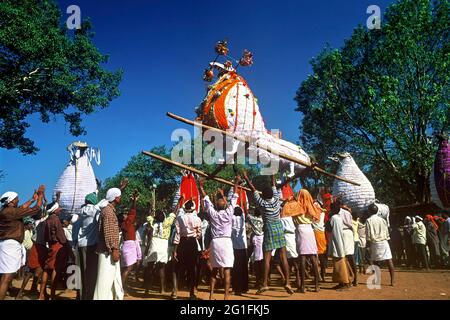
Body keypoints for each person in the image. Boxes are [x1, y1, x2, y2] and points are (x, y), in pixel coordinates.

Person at [242, 171, 294, 295]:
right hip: (279, 227)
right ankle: (287, 282)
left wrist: (246, 178)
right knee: (283, 256)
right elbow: (273, 184)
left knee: (267, 257)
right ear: (272, 194)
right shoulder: (277, 200)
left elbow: (253, 189)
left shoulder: (262, 203)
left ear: (264, 196)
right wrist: (272, 175)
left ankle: (264, 283)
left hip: (269, 228)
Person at [0, 186, 45, 300]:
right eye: (16, 199)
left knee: (8, 276)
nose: (18, 200)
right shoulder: (11, 212)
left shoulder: (8, 211)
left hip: (9, 245)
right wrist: (40, 195)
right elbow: (36, 209)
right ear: (10, 201)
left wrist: (31, 199)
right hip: (10, 245)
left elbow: (21, 208)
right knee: (7, 277)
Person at [200, 176, 239, 300]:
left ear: (216, 205)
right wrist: (236, 183)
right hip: (226, 242)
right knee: (227, 269)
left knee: (214, 270)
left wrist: (201, 187)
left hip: (216, 243)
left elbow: (206, 200)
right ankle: (226, 297)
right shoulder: (229, 212)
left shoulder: (213, 214)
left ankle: (211, 296)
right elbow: (234, 198)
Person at [94, 187, 124, 300]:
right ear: (116, 198)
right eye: (119, 196)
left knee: (111, 280)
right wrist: (114, 249)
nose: (120, 198)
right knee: (104, 282)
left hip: (108, 250)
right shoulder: (108, 212)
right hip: (108, 251)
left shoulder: (107, 210)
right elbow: (109, 232)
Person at [39, 197, 70, 300]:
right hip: (57, 246)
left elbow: (46, 236)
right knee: (55, 269)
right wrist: (66, 246)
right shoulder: (56, 220)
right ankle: (52, 294)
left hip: (51, 245)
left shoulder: (47, 220)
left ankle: (41, 294)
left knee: (47, 269)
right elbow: (61, 236)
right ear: (55, 210)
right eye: (58, 208)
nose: (60, 210)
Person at [72, 192, 101, 300]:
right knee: (91, 272)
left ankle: (82, 295)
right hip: (90, 246)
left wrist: (75, 243)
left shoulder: (81, 212)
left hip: (80, 245)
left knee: (82, 271)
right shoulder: (95, 211)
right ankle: (89, 296)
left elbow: (75, 230)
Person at [172, 199, 202, 300]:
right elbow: (199, 234)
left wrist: (175, 250)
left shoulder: (179, 218)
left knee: (177, 268)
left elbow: (177, 234)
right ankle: (192, 293)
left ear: (185, 208)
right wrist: (194, 236)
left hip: (182, 243)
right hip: (192, 243)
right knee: (192, 268)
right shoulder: (197, 219)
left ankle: (175, 291)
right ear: (193, 208)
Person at [143, 208, 177, 295]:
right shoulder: (167, 223)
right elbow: (173, 213)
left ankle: (147, 289)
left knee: (149, 268)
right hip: (163, 246)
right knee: (162, 268)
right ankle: (162, 289)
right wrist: (179, 202)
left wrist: (151, 210)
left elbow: (149, 215)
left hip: (154, 244)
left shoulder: (151, 222)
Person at [293, 189, 321, 293]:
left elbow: (288, 210)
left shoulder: (296, 206)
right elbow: (317, 215)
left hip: (300, 230)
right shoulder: (312, 206)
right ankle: (317, 285)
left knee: (302, 258)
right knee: (313, 257)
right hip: (310, 230)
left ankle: (303, 286)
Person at [326, 199, 353, 291]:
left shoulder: (333, 218)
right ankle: (342, 282)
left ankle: (345, 283)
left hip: (337, 243)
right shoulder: (338, 218)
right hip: (339, 242)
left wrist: (328, 218)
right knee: (340, 263)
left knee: (340, 264)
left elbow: (328, 229)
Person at [365, 204, 395, 286]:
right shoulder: (383, 220)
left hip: (374, 243)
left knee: (375, 262)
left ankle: (377, 280)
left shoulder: (368, 220)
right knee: (389, 261)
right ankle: (392, 281)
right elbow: (387, 232)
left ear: (369, 211)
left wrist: (367, 246)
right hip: (384, 242)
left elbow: (368, 234)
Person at [120, 190, 142, 295]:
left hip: (126, 245)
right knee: (128, 268)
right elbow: (133, 210)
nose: (126, 214)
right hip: (129, 245)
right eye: (124, 213)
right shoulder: (127, 222)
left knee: (125, 268)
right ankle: (121, 288)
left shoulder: (124, 224)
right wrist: (133, 200)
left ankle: (121, 287)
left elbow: (132, 212)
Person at [231, 205, 249, 296]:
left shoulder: (232, 220)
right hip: (243, 247)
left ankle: (235, 287)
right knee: (243, 268)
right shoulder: (242, 219)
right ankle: (244, 287)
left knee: (235, 269)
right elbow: (243, 212)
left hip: (234, 248)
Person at [339, 204, 357, 286]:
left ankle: (348, 279)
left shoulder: (338, 212)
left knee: (344, 257)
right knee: (351, 256)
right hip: (349, 232)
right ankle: (355, 278)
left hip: (343, 233)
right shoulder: (347, 212)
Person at [246, 208, 264, 289]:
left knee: (257, 261)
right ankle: (262, 280)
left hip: (257, 239)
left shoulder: (253, 219)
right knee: (262, 260)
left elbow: (247, 214)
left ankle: (259, 281)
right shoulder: (264, 218)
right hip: (263, 238)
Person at [312, 200, 327, 282]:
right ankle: (322, 274)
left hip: (315, 234)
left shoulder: (314, 215)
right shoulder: (322, 213)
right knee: (322, 257)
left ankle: (319, 276)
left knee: (316, 257)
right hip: (322, 235)